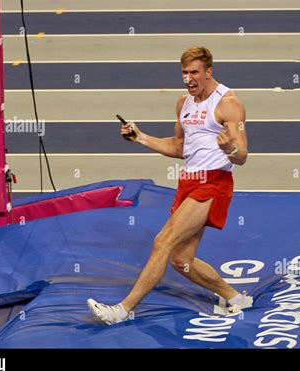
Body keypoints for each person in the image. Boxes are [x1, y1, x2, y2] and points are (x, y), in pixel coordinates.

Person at [87, 46, 252, 325]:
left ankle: (121, 310)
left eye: (194, 72)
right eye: (184, 73)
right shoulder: (183, 104)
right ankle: (235, 298)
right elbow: (179, 147)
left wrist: (230, 148)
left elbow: (243, 156)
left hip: (213, 183)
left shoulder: (229, 104)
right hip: (188, 182)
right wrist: (141, 137)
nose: (188, 79)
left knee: (162, 241)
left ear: (209, 72)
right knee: (180, 259)